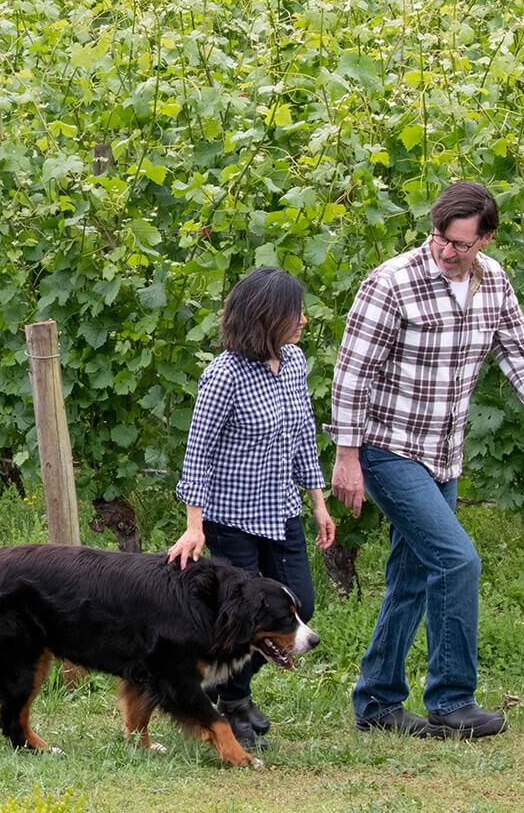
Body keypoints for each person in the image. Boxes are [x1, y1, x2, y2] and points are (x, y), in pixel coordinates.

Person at [330, 181, 524, 740]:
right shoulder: (392, 282)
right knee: (457, 560)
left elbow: (521, 351)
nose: (446, 252)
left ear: (486, 239)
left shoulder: (493, 282)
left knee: (411, 578)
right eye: (440, 240)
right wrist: (347, 457)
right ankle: (450, 700)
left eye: (461, 245)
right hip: (388, 448)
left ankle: (376, 702)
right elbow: (352, 373)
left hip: (443, 454)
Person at [167, 266, 335, 750]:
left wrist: (317, 502)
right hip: (232, 519)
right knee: (239, 619)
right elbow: (198, 451)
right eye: (294, 312)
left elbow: (303, 434)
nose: (303, 319)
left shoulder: (295, 362)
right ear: (267, 316)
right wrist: (194, 525)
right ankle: (233, 704)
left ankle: (231, 692)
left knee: (300, 599)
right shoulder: (224, 375)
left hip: (282, 512)